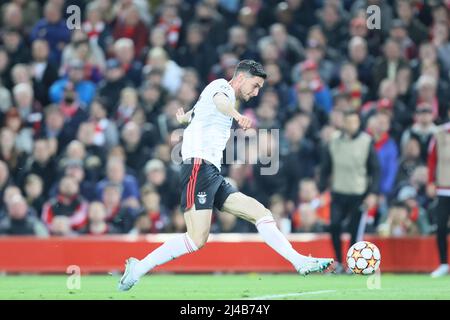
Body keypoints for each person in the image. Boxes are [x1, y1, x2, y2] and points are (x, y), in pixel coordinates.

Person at [118, 60, 334, 291]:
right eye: (255, 85)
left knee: (260, 213)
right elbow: (220, 102)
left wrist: (185, 118)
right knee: (196, 239)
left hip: (211, 171)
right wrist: (236, 115)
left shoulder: (214, 90)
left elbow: (201, 108)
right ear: (240, 78)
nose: (256, 91)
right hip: (197, 168)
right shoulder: (222, 88)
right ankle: (138, 269)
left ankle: (298, 261)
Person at [319, 110, 380, 273]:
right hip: (338, 191)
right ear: (343, 123)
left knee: (354, 231)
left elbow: (375, 170)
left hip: (358, 194)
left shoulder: (367, 142)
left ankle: (353, 265)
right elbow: (326, 167)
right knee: (334, 226)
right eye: (348, 121)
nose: (351, 125)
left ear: (359, 123)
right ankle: (339, 261)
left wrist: (373, 193)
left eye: (354, 121)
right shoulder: (334, 141)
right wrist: (321, 186)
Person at [428, 121, 450, 277]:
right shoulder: (440, 133)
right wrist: (430, 181)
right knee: (441, 227)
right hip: (444, 187)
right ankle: (443, 263)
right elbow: (432, 159)